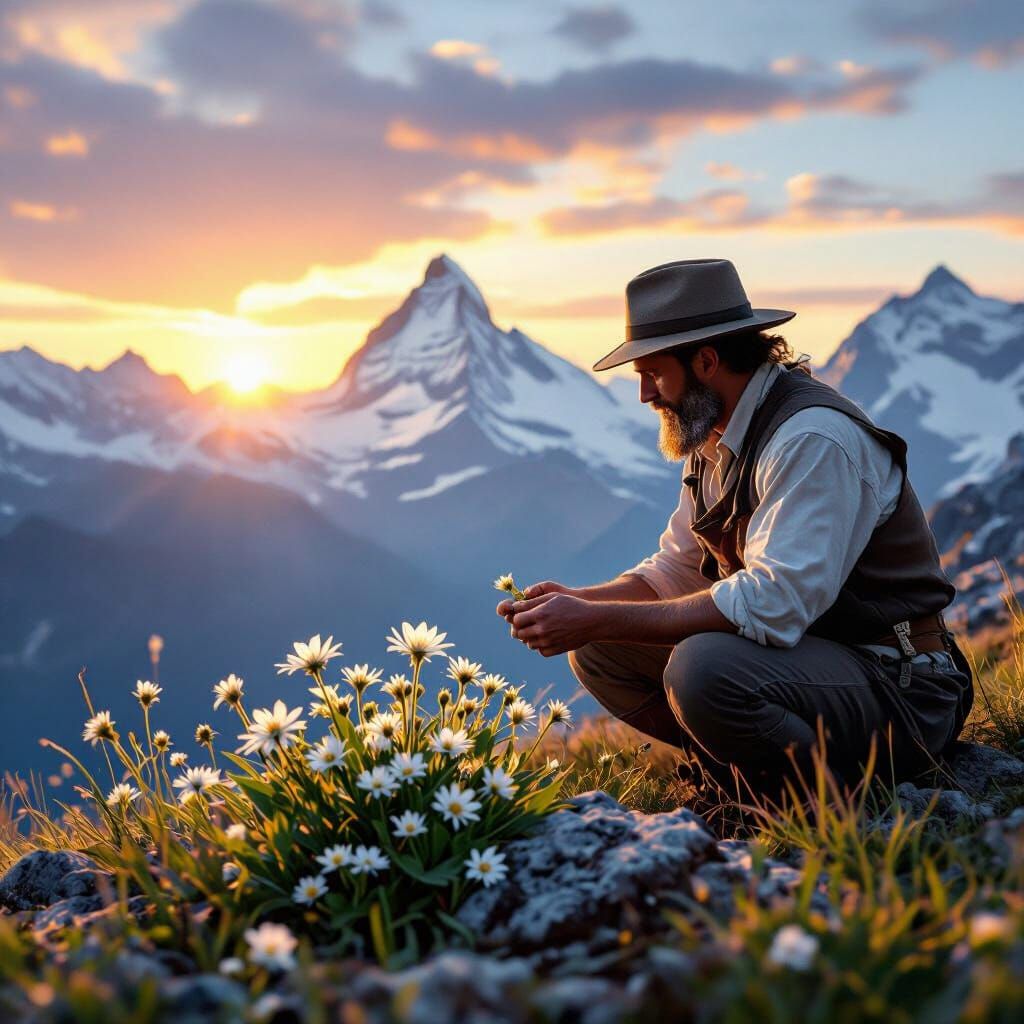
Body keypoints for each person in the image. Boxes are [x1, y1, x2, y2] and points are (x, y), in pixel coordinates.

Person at [495, 258, 974, 803]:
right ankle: (740, 780)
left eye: (653, 373)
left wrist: (597, 615)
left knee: (703, 669)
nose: (645, 395)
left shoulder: (811, 440)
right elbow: (676, 568)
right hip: (815, 668)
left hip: (902, 687)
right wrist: (580, 606)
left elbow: (774, 601)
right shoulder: (715, 439)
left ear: (706, 361)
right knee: (599, 649)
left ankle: (825, 809)